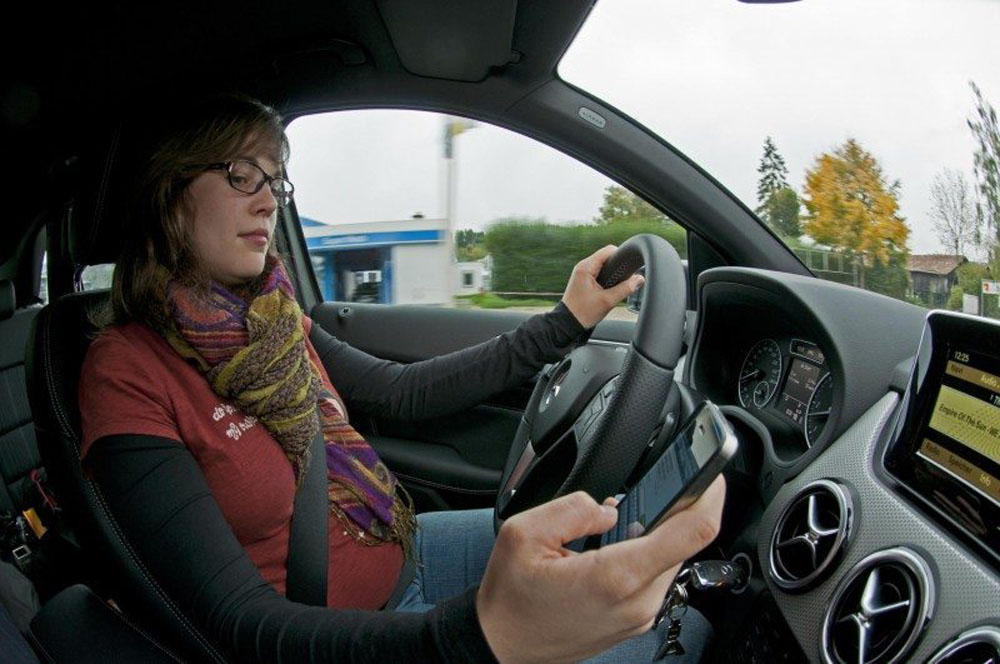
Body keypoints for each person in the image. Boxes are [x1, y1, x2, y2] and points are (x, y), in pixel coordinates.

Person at [77, 94, 726, 663]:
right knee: (674, 638)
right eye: (241, 175)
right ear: (169, 191)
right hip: (345, 637)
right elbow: (235, 624)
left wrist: (565, 322)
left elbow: (401, 390)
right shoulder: (125, 371)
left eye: (277, 181)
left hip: (410, 553)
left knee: (663, 593)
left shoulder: (276, 320)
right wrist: (476, 639)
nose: (268, 198)